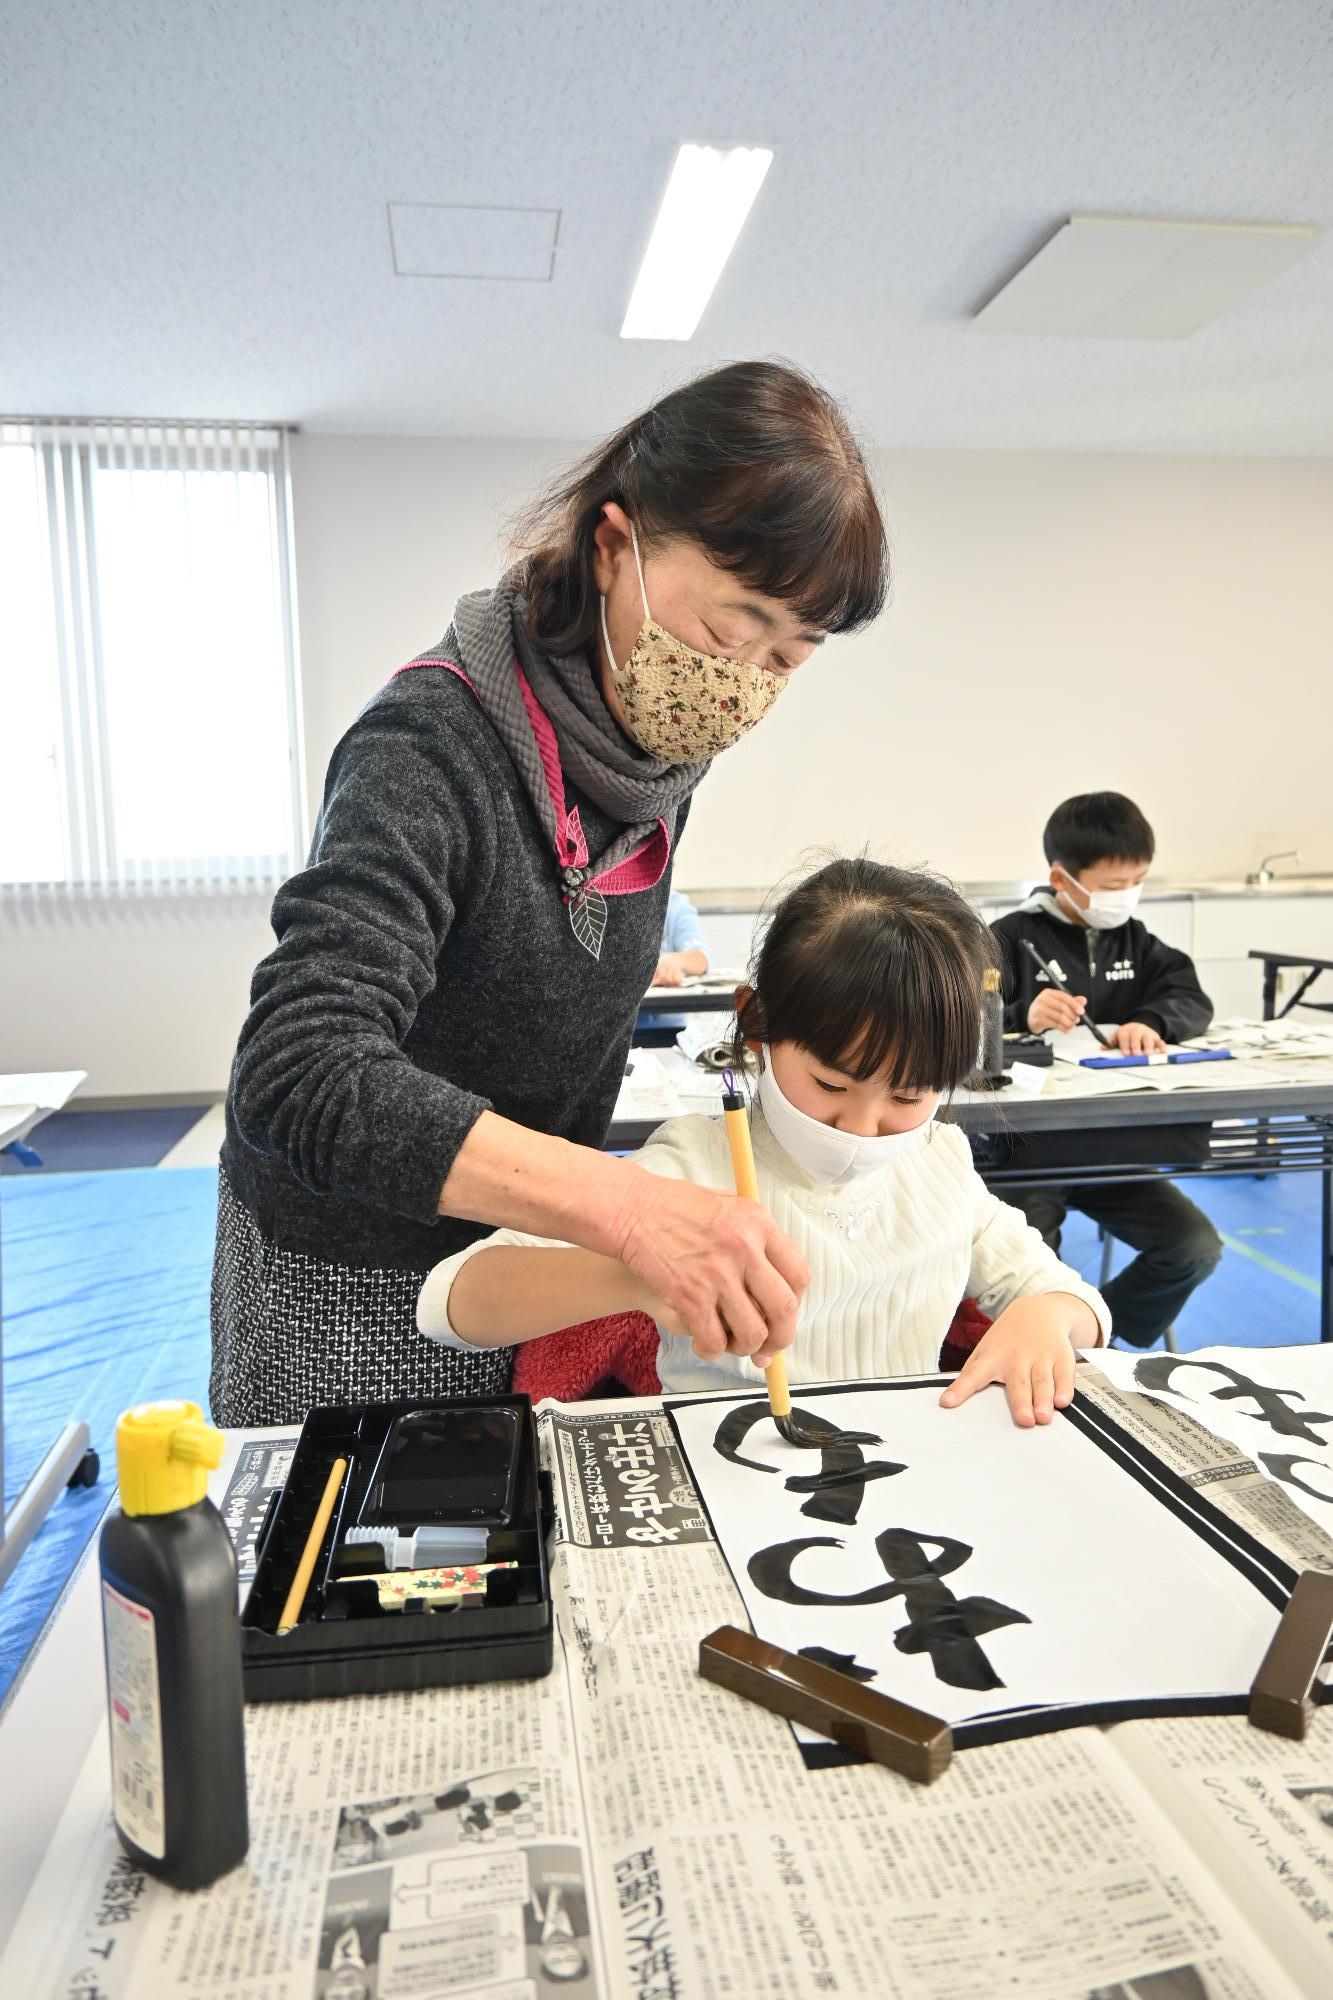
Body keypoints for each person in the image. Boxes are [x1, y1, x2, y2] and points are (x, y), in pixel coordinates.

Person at [210, 361, 888, 1424]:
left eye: (787, 656)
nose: (742, 682)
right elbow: (300, 1068)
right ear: (614, 547)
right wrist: (621, 1206)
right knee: (354, 1557)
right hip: (352, 1266)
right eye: (727, 628)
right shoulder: (429, 744)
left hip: (523, 1249)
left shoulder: (656, 758)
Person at [418, 860, 1110, 1428]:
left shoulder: (939, 1160)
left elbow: (1072, 1299)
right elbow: (451, 1303)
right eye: (831, 1085)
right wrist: (637, 1274)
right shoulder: (695, 1163)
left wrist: (1047, 1316)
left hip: (902, 1472)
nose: (860, 1129)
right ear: (756, 1025)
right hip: (733, 1476)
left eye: (907, 1096)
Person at [989, 792, 1222, 1348]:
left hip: (1110, 1148)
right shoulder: (1008, 938)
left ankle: (1095, 1335)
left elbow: (1191, 997)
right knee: (1030, 1273)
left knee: (1195, 1247)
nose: (1127, 897)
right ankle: (1045, 1341)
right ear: (1062, 878)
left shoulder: (1135, 941)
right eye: (1114, 886)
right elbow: (963, 1020)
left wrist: (1150, 1020)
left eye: (1137, 881)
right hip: (1026, 1152)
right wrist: (1023, 1015)